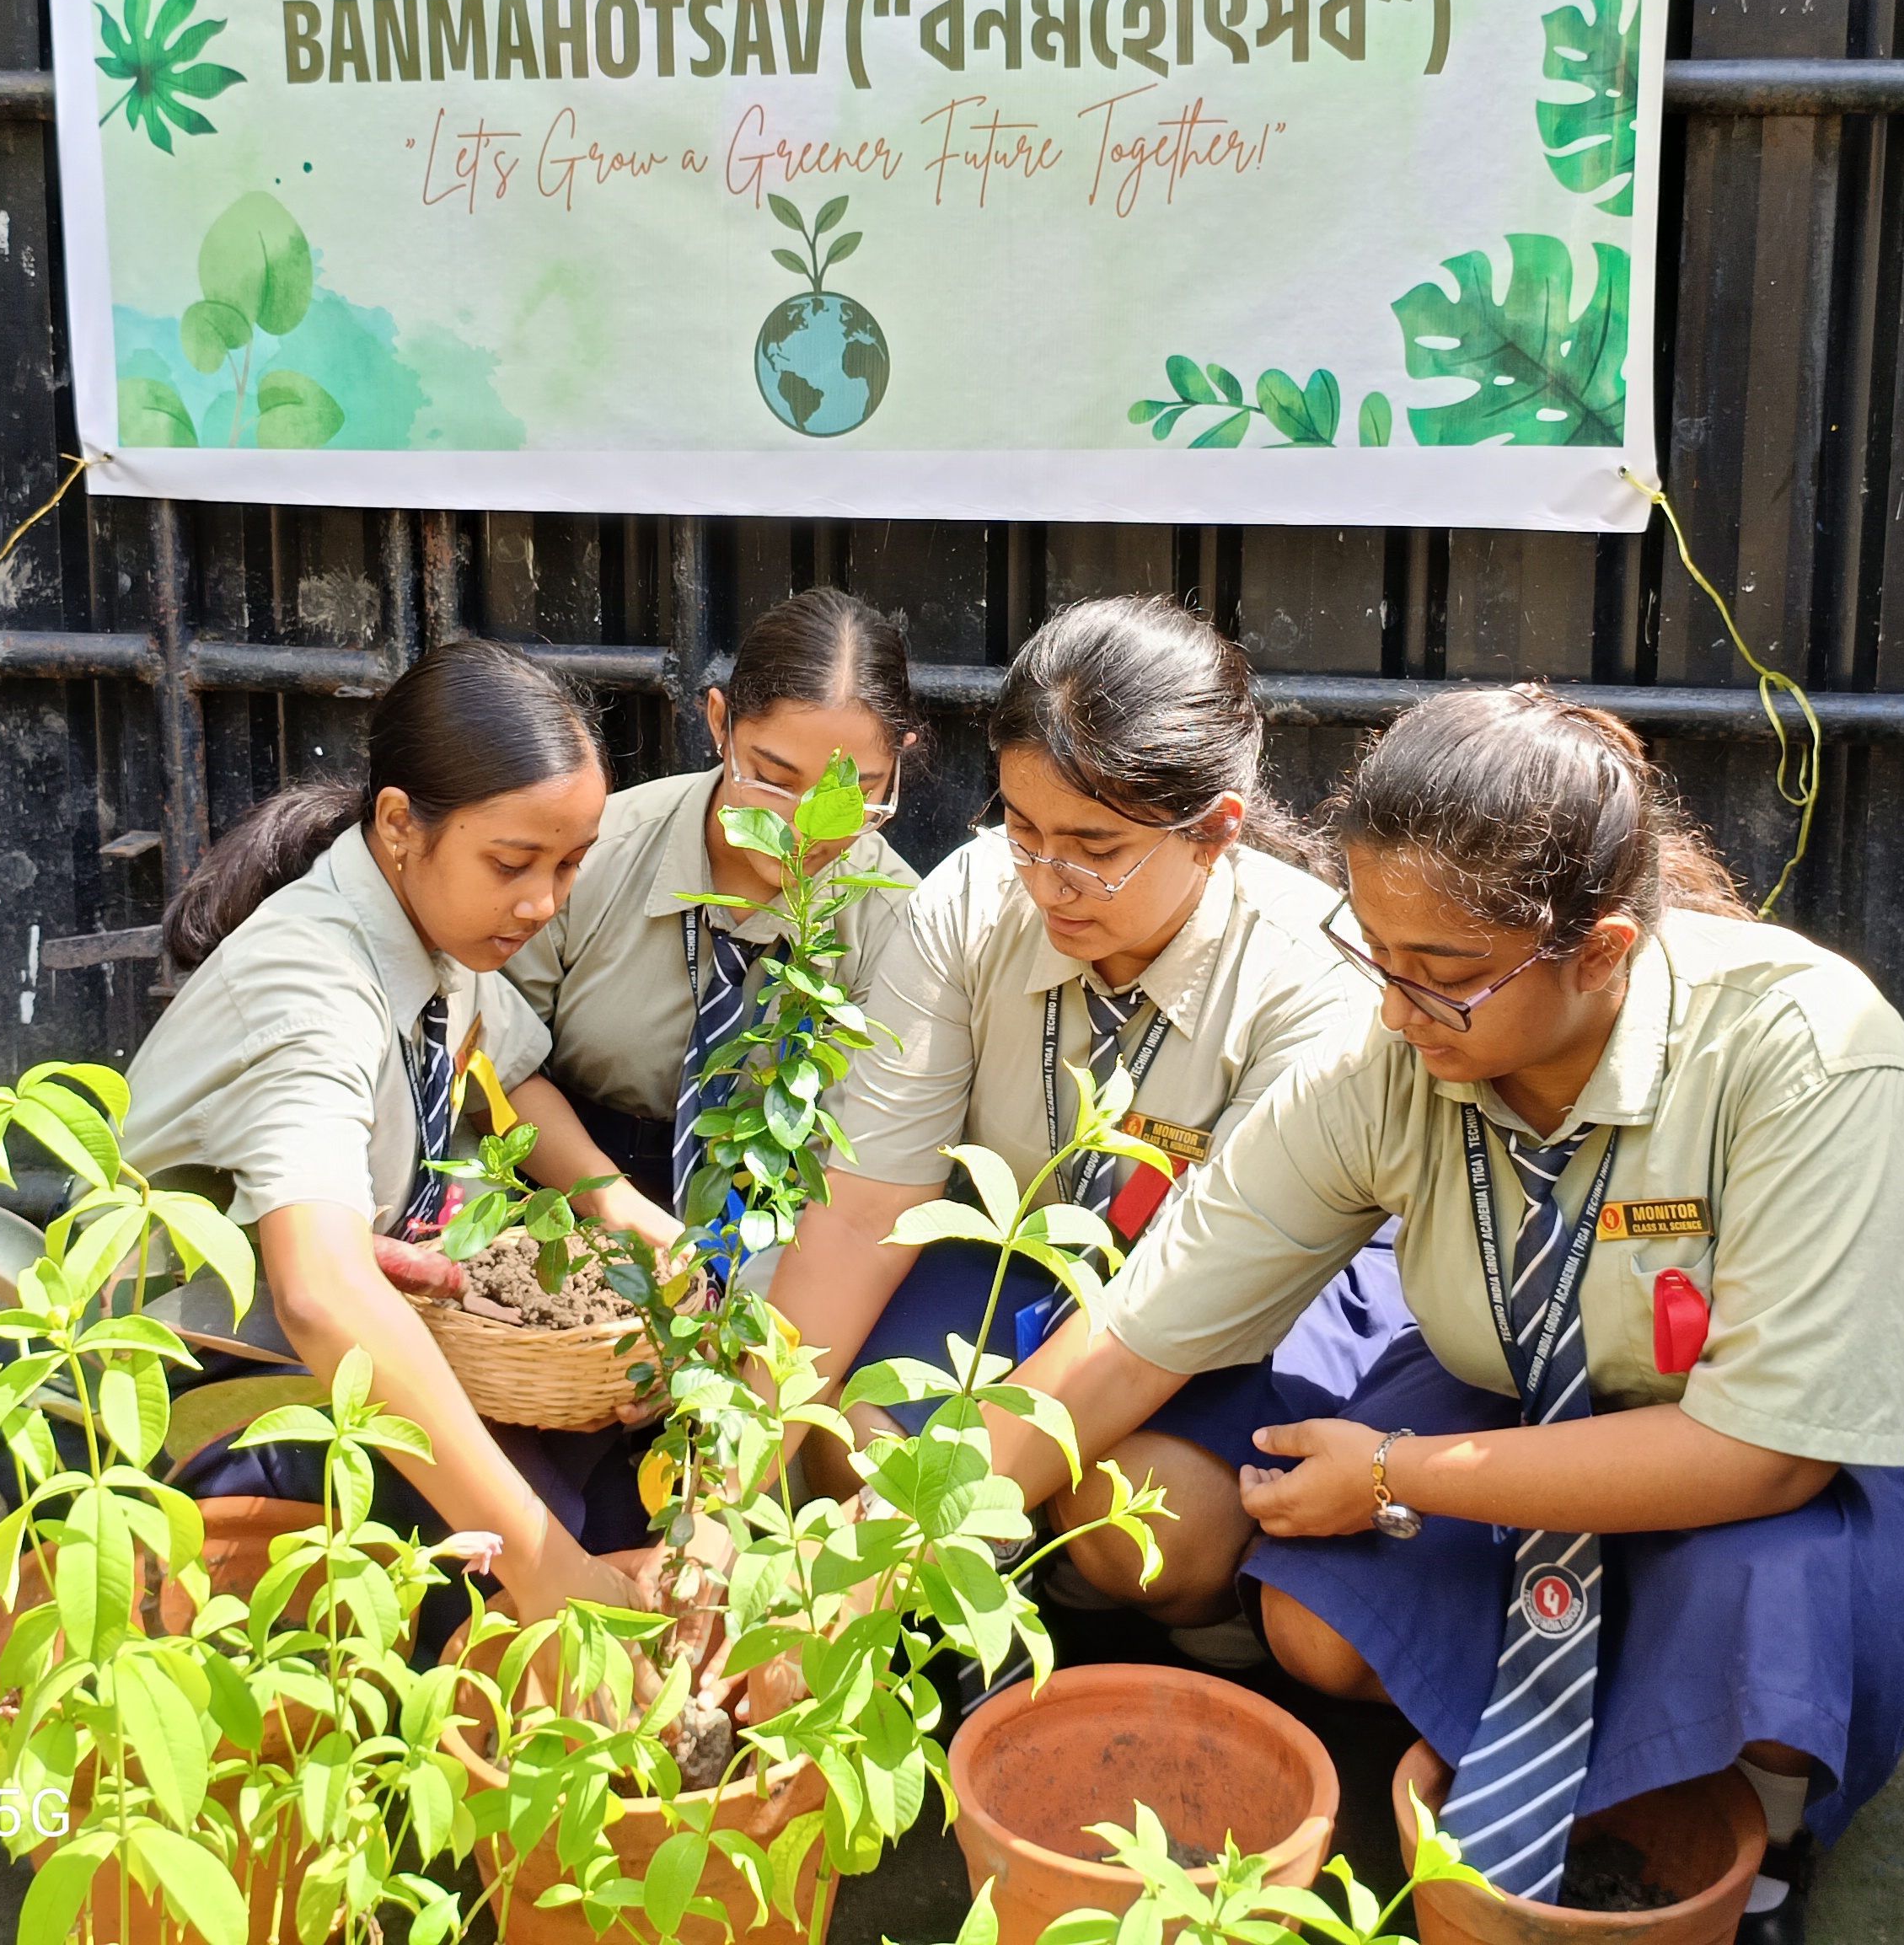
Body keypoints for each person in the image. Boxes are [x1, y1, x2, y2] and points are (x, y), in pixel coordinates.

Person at [991, 687, 1904, 1945]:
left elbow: (1768, 1453)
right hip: (1529, 1390)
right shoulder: (1393, 1062)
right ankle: (1607, 1688)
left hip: (1805, 1445)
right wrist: (894, 1541)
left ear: (1603, 951)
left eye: (1446, 976)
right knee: (1317, 1630)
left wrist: (1394, 1472)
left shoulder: (1812, 1052)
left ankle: (1757, 1839)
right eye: (1374, 953)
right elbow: (1144, 1326)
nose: (1392, 1008)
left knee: (1768, 1611)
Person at [762, 595, 1392, 1658]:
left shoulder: (1312, 981)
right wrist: (729, 1492)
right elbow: (865, 1205)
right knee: (855, 1441)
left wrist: (913, 1540)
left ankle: (1192, 1632)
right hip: (1025, 1259)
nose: (1049, 882)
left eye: (1096, 847)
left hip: (1226, 1316)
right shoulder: (968, 903)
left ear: (1216, 833)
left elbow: (1167, 1311)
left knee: (1143, 1523)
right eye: (1023, 830)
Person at [117, 635, 660, 1623]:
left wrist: (615, 1204)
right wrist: (552, 1577)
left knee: (617, 1459)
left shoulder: (440, 921)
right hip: (172, 1386)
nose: (543, 902)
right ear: (402, 823)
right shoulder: (309, 991)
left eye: (572, 864)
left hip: (322, 1325)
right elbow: (322, 1297)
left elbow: (512, 1066)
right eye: (514, 863)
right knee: (501, 1558)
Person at [507, 587, 921, 1237]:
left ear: (897, 760)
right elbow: (496, 1059)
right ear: (719, 720)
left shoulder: (899, 921)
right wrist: (614, 1209)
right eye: (775, 779)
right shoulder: (589, 854)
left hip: (781, 1231)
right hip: (566, 1206)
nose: (804, 829)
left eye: (853, 793)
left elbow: (865, 1165)